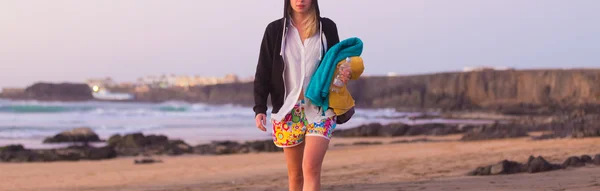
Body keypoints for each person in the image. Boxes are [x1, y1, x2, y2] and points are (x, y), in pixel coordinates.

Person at [253, 0, 340, 190]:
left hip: (320, 109)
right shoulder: (275, 31)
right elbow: (263, 70)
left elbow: (336, 64)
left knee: (310, 168)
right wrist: (260, 108)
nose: (300, 0)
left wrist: (345, 72)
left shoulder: (327, 28)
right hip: (288, 110)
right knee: (295, 176)